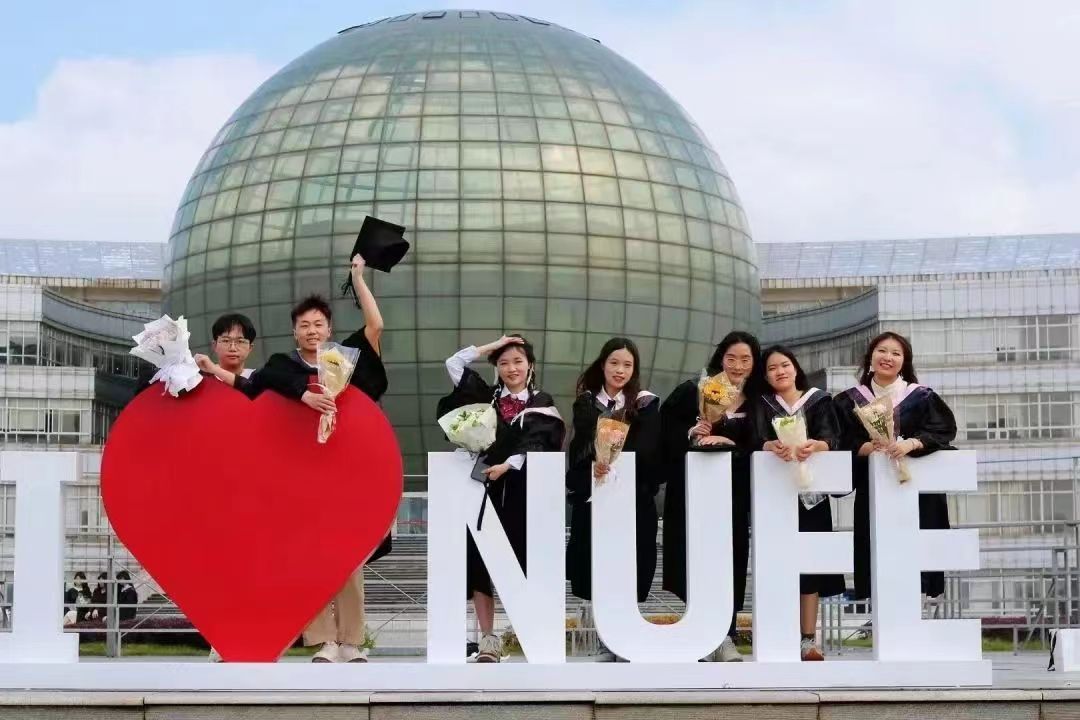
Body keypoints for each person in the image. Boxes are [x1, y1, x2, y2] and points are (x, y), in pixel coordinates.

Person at [200, 257, 386, 664]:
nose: (312, 330)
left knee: (348, 559)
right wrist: (302, 394)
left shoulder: (343, 363)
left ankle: (351, 641)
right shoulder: (282, 366)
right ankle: (323, 641)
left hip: (342, 477)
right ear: (294, 331)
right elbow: (252, 385)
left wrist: (358, 278)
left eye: (318, 324)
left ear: (329, 329)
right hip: (299, 480)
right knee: (308, 560)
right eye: (304, 325)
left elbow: (375, 326)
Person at [438, 335, 564, 663]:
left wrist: (509, 465)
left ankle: (532, 633)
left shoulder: (542, 402)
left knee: (526, 559)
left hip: (524, 491)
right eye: (504, 363)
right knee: (480, 561)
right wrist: (494, 345)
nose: (512, 368)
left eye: (518, 361)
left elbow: (542, 441)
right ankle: (488, 639)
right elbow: (454, 364)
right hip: (485, 490)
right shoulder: (488, 398)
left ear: (530, 366)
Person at [660, 331, 762, 662]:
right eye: (731, 358)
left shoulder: (759, 400)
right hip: (693, 495)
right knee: (693, 558)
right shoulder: (695, 391)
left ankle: (725, 635)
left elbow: (762, 443)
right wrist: (692, 431)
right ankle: (702, 633)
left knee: (730, 561)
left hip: (734, 498)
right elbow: (664, 431)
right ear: (721, 358)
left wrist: (731, 445)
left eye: (745, 359)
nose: (738, 366)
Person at [834, 331, 957, 601]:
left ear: (904, 361)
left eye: (896, 353)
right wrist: (864, 447)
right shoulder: (848, 401)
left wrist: (911, 443)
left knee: (917, 554)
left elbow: (944, 430)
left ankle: (915, 610)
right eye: (882, 351)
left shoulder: (922, 397)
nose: (887, 357)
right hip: (874, 490)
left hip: (917, 491)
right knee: (878, 552)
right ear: (870, 357)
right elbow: (837, 439)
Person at [754, 346, 846, 661]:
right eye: (772, 368)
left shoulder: (819, 401)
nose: (780, 371)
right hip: (773, 496)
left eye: (785, 365)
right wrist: (768, 445)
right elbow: (753, 439)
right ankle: (778, 636)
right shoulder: (762, 405)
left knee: (809, 567)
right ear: (765, 376)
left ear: (795, 368)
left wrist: (817, 445)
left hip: (811, 496)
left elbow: (833, 438)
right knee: (776, 565)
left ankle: (808, 639)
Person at [565, 338, 661, 615]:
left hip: (633, 500)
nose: (620, 370)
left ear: (634, 369)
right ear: (603, 365)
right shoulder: (586, 402)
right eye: (614, 363)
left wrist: (615, 459)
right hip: (595, 497)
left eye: (627, 365)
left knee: (629, 569)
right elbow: (579, 446)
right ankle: (603, 632)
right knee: (595, 571)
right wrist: (592, 463)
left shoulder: (645, 403)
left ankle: (624, 630)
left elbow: (649, 449)